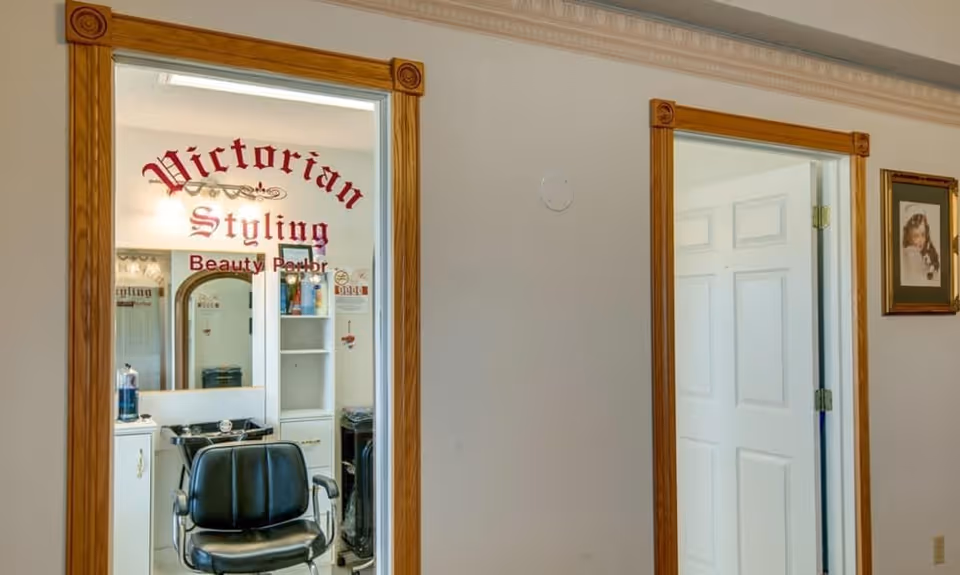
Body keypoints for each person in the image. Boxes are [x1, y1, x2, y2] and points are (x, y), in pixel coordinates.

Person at [901, 204, 940, 286]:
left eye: (923, 234)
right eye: (916, 236)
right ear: (908, 236)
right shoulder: (911, 253)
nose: (920, 240)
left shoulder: (927, 250)